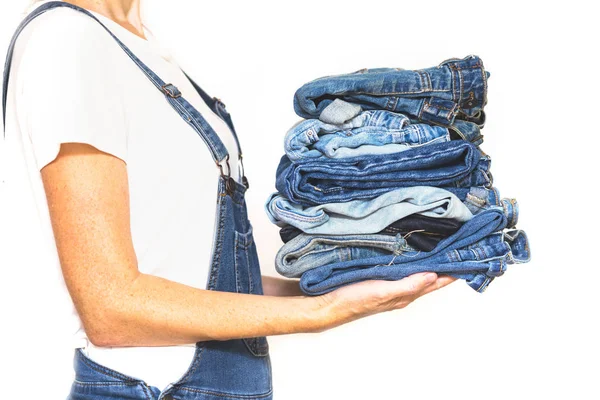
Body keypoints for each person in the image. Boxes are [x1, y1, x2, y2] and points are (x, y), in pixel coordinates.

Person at [1, 0, 456, 398]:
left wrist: (341, 284)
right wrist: (321, 312)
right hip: (159, 388)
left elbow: (193, 275)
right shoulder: (68, 41)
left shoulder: (142, 46)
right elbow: (112, 309)